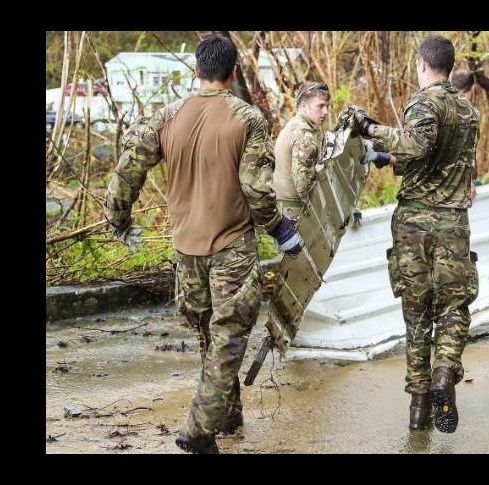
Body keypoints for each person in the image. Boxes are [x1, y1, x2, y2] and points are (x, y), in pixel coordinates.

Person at [102, 36, 303, 454]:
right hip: (230, 247)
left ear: (196, 70)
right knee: (228, 338)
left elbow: (127, 166)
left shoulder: (167, 116)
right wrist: (280, 229)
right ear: (232, 73)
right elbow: (257, 190)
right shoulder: (247, 118)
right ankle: (198, 429)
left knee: (210, 339)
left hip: (186, 251)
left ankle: (227, 419)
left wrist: (118, 218)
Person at [352, 34, 480, 434]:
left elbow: (418, 146)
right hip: (453, 223)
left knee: (416, 314)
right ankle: (444, 375)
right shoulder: (469, 111)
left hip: (414, 223)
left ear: (423, 64)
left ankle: (419, 408)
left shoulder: (423, 101)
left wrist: (371, 128)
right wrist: (389, 157)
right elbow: (436, 160)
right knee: (453, 308)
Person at [273, 81, 330, 221]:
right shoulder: (304, 135)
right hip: (294, 212)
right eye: (320, 106)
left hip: (284, 208)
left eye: (327, 106)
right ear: (304, 106)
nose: (326, 112)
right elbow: (304, 187)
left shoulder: (296, 124)